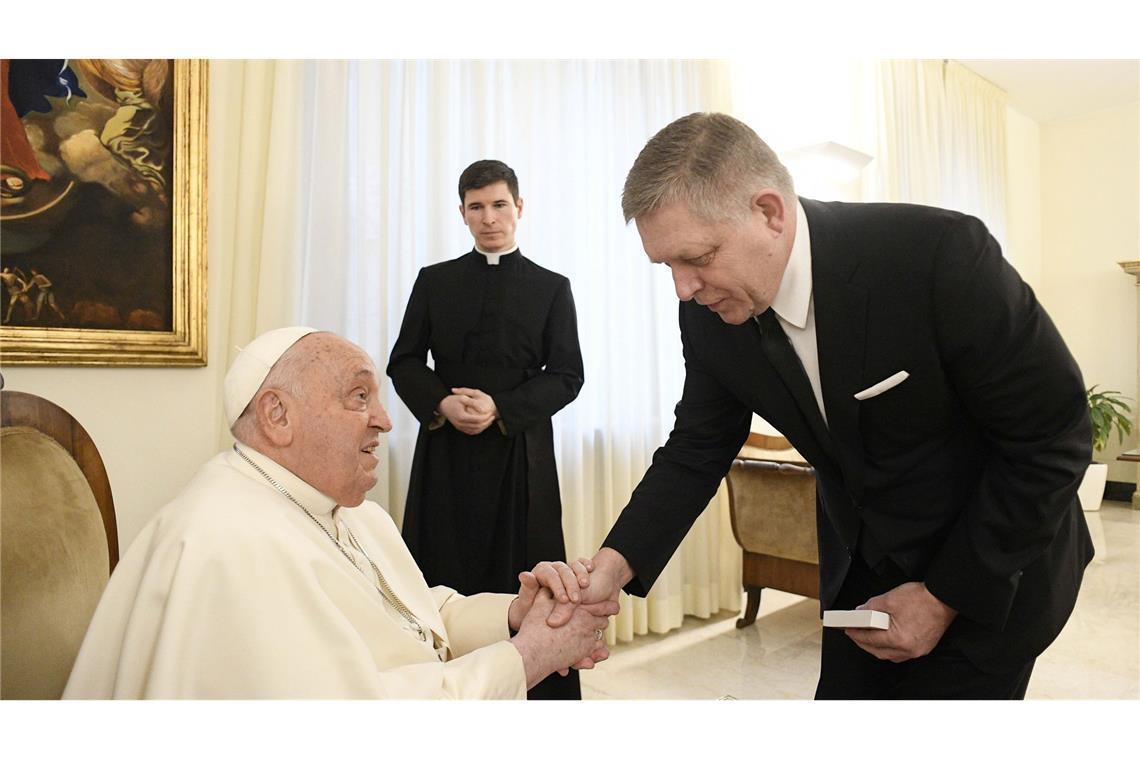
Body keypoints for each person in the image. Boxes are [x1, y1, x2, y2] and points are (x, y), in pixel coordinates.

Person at [572, 112, 1093, 699]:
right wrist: (614, 566)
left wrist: (945, 595)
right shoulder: (709, 313)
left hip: (990, 563)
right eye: (667, 265)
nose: (683, 288)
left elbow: (1053, 438)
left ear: (769, 212)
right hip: (862, 578)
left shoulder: (937, 257)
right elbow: (697, 446)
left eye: (697, 257)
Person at [64, 326, 614, 699]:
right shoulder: (227, 542)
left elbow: (418, 616)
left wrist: (515, 616)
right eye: (358, 397)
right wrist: (528, 656)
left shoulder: (345, 509)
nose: (385, 420)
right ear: (277, 415)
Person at [387, 160, 585, 699]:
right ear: (462, 213)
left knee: (526, 580)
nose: (489, 217)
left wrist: (501, 407)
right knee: (440, 575)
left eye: (499, 205)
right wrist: (443, 402)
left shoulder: (552, 288)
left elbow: (569, 375)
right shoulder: (434, 282)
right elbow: (402, 362)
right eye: (477, 207)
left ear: (519, 208)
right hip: (445, 456)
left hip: (520, 455)